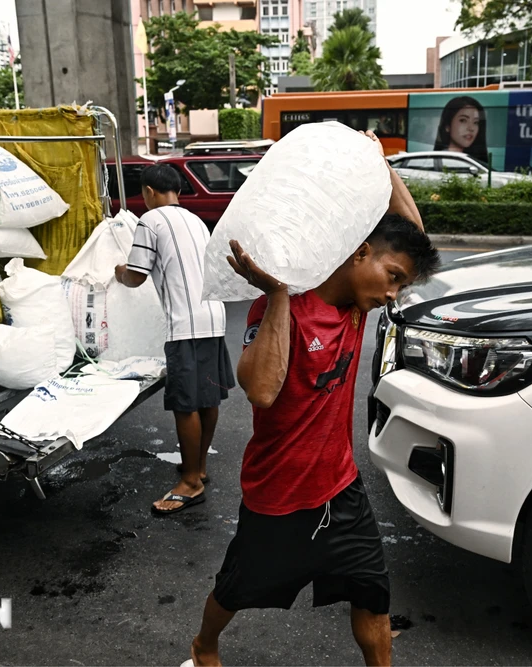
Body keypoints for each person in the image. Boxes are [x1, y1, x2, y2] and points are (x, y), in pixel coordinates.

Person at [185, 131, 441, 667]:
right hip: (278, 498)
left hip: (342, 491)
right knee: (235, 591)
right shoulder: (286, 308)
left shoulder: (357, 306)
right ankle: (204, 646)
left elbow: (411, 236)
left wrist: (382, 165)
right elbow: (260, 389)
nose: (393, 294)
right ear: (358, 253)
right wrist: (276, 293)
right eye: (391, 278)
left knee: (373, 595)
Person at [115, 163, 234, 516]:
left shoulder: (149, 221)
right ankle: (197, 468)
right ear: (177, 191)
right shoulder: (196, 221)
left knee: (186, 403)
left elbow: (135, 276)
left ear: (149, 192)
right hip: (214, 317)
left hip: (185, 325)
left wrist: (118, 272)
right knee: (208, 397)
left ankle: (191, 483)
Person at [434, 95, 489, 165]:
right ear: (447, 126)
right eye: (463, 120)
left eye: (476, 122)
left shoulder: (475, 162)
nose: (471, 128)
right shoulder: (438, 160)